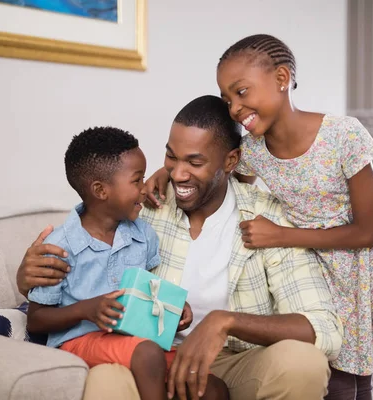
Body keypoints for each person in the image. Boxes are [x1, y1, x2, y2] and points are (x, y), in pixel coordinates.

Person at [147, 34, 373, 400]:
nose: (233, 108)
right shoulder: (251, 150)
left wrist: (281, 235)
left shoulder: (343, 135)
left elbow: (366, 232)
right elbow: (212, 173)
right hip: (309, 264)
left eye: (241, 92)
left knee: (357, 377)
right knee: (332, 373)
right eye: (228, 99)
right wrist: (164, 173)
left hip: (357, 264)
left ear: (281, 78)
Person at [17, 95, 343, 400]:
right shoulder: (143, 207)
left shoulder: (268, 218)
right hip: (154, 356)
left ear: (230, 161)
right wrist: (25, 276)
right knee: (106, 379)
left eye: (194, 162)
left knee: (302, 362)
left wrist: (223, 322)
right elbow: (88, 241)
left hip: (237, 359)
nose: (177, 173)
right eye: (171, 157)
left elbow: (324, 328)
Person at [25, 127, 228, 400]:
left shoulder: (142, 234)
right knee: (147, 353)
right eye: (137, 180)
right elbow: (36, 321)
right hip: (78, 342)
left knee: (210, 386)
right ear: (100, 190)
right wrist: (86, 309)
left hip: (134, 341)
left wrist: (171, 309)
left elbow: (149, 290)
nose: (145, 188)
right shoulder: (59, 246)